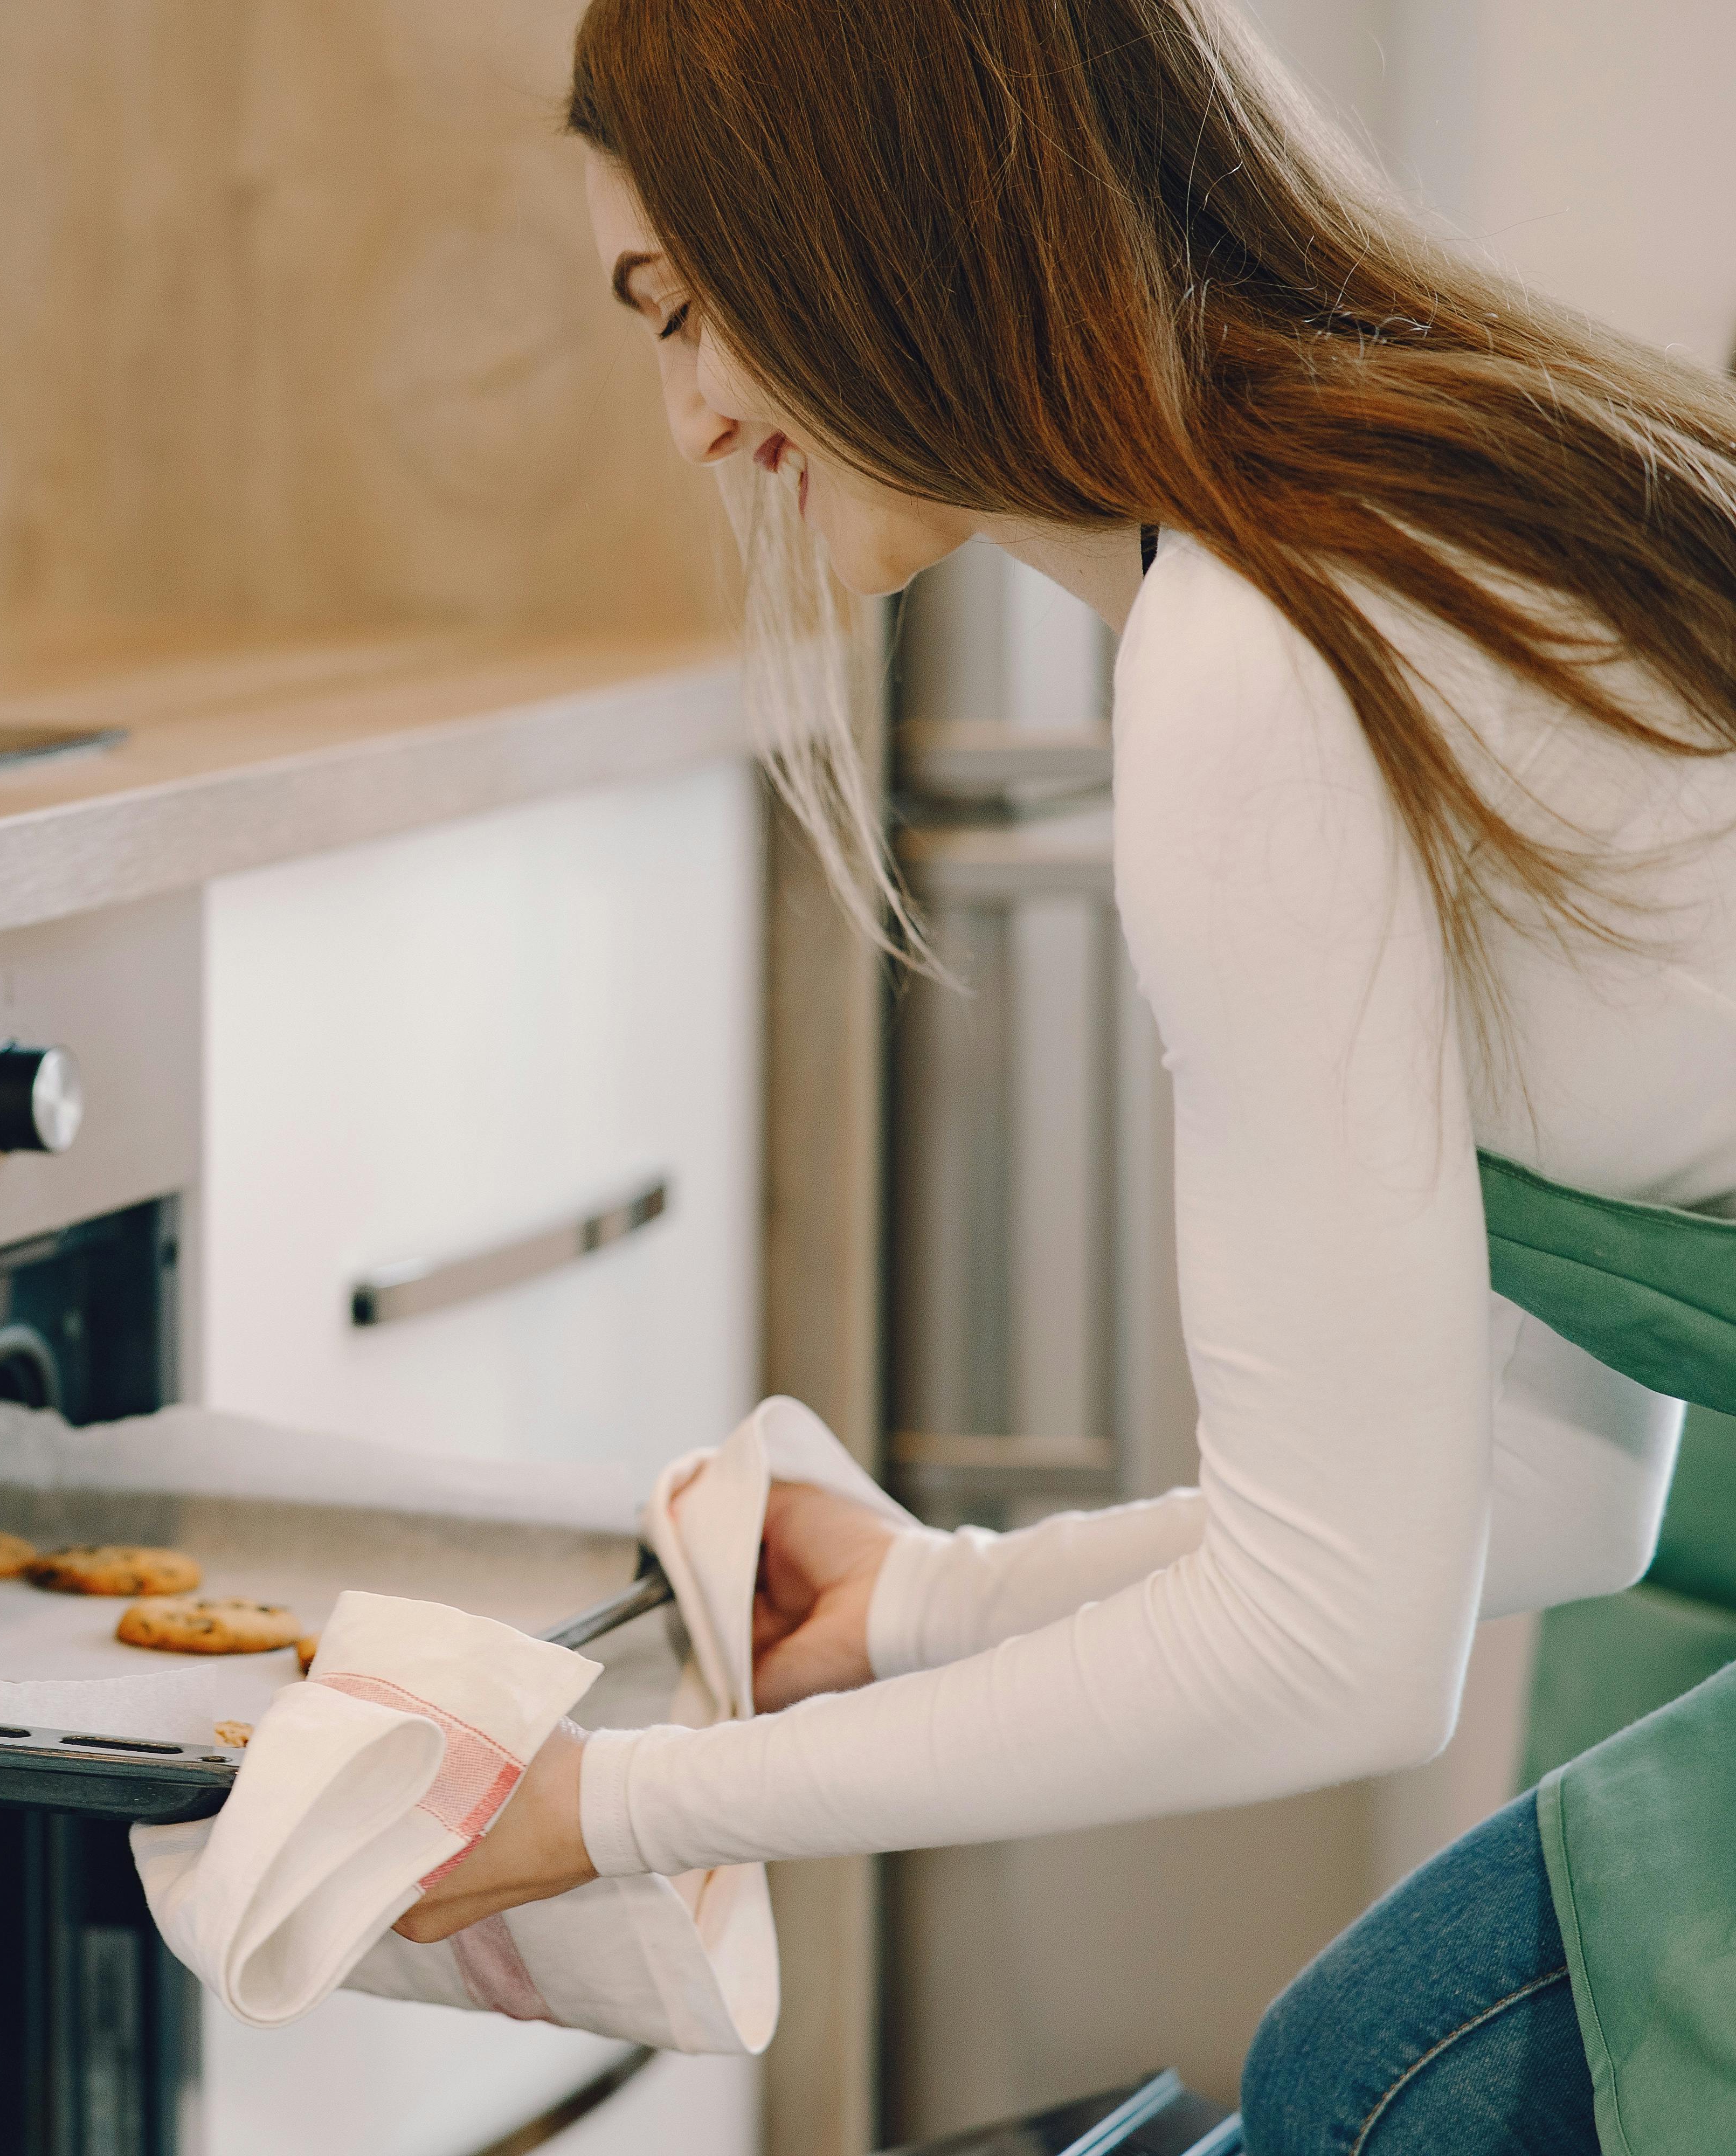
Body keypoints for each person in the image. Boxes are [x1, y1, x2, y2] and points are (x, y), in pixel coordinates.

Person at [389, 4, 1736, 2152]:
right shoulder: (1390, 505)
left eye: (691, 310)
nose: (696, 418)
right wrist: (926, 1604)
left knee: (1381, 2088)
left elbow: (1328, 1642)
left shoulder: (1262, 651)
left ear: (873, 231)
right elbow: (1563, 1493)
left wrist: (608, 1806)